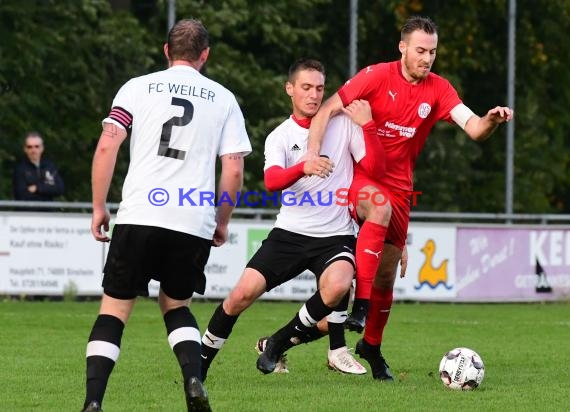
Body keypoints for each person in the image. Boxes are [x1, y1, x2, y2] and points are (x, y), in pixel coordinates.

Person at [305, 16, 514, 381]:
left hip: (402, 190)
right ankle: (361, 307)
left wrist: (492, 119)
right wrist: (312, 151)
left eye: (432, 51)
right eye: (420, 50)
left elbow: (476, 129)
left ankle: (370, 345)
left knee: (387, 277)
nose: (427, 58)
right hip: (365, 178)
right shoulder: (375, 75)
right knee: (376, 214)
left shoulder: (439, 89)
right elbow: (327, 109)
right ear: (402, 47)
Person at [81, 19, 251, 412]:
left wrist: (98, 206)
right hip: (191, 220)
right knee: (176, 306)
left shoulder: (136, 88)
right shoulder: (223, 98)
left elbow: (108, 146)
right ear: (205, 55)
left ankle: (93, 402)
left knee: (114, 310)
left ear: (165, 51)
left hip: (139, 213)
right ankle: (193, 378)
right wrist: (221, 220)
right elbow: (234, 169)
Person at [201, 58, 385, 380]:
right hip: (289, 234)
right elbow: (272, 181)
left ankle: (277, 343)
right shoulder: (280, 136)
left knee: (339, 285)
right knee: (239, 296)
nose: (314, 95)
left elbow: (377, 168)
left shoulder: (343, 124)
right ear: (290, 89)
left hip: (335, 236)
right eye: (306, 88)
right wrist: (304, 166)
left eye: (319, 88)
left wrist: (368, 126)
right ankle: (197, 369)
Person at [12, 131, 64, 201]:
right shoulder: (20, 169)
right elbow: (21, 195)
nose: (33, 150)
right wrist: (47, 189)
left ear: (42, 148)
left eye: (37, 146)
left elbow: (59, 189)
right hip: (26, 211)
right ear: (25, 149)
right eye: (29, 147)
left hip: (47, 211)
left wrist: (37, 188)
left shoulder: (49, 166)